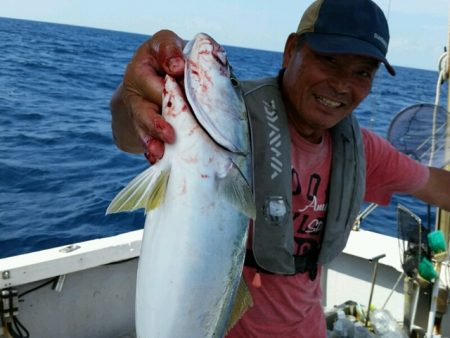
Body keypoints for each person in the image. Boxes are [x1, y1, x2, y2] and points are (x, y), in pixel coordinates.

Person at [110, 0, 450, 337]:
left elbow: (434, 184)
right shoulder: (231, 122)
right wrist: (130, 95)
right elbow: (128, 132)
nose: (342, 85)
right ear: (291, 51)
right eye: (329, 59)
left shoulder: (361, 149)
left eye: (362, 72)